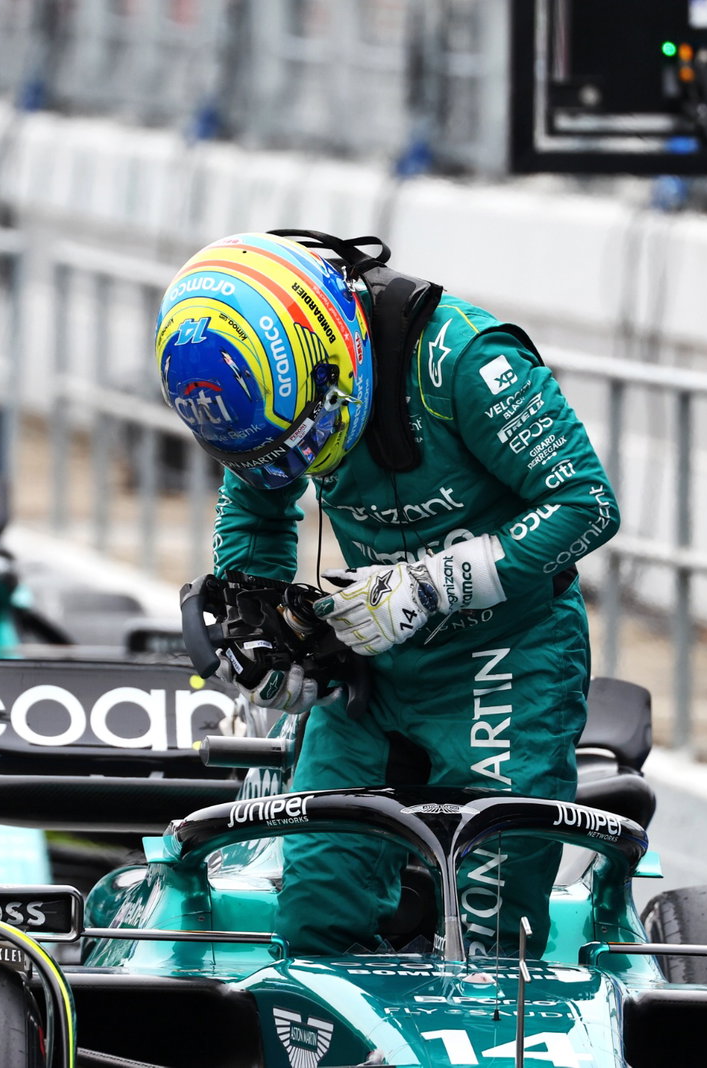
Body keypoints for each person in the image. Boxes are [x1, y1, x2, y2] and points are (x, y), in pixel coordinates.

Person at [157, 230, 619, 958]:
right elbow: (257, 511)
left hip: (505, 662)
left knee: (494, 931)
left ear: (334, 349)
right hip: (373, 665)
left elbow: (587, 504)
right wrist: (268, 638)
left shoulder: (469, 361)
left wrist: (431, 586)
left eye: (306, 440)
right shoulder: (264, 397)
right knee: (315, 908)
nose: (298, 463)